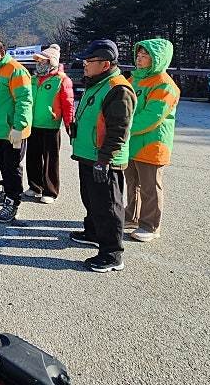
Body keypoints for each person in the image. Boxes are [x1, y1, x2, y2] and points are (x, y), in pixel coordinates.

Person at [69, 39, 136, 273]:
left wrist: (104, 160)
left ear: (105, 64)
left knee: (108, 206)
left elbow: (119, 131)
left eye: (90, 61)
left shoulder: (118, 89)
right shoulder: (96, 83)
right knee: (91, 199)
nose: (84, 65)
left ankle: (111, 253)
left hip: (103, 160)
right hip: (88, 154)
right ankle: (93, 232)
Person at [125, 38, 180, 242]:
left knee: (150, 186)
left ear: (157, 58)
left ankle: (150, 225)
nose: (139, 59)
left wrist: (123, 127)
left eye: (145, 55)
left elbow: (152, 117)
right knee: (132, 183)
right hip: (132, 143)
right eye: (138, 55)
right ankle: (131, 216)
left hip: (152, 144)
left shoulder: (165, 85)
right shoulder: (134, 80)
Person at [0, 38, 33, 223]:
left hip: (12, 131)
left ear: (1, 53)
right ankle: (6, 194)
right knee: (4, 165)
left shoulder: (16, 70)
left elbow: (24, 100)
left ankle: (13, 203)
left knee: (12, 169)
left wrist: (19, 126)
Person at [26, 44, 74, 204]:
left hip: (51, 126)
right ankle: (35, 186)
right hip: (33, 125)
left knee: (50, 160)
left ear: (51, 62)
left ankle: (50, 191)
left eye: (43, 61)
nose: (39, 64)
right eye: (38, 61)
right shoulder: (33, 79)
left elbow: (68, 104)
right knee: (32, 157)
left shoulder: (61, 80)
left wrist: (69, 125)